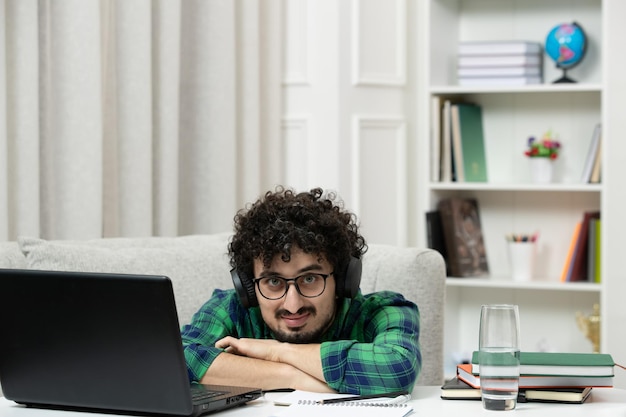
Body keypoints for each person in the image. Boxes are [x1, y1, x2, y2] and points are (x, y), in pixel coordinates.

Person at [181, 186, 421, 394]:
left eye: (309, 279)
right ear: (248, 287)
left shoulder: (385, 311)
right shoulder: (230, 309)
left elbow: (399, 368)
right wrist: (291, 377)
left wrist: (278, 352)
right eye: (274, 282)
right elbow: (178, 360)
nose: (293, 304)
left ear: (342, 278)